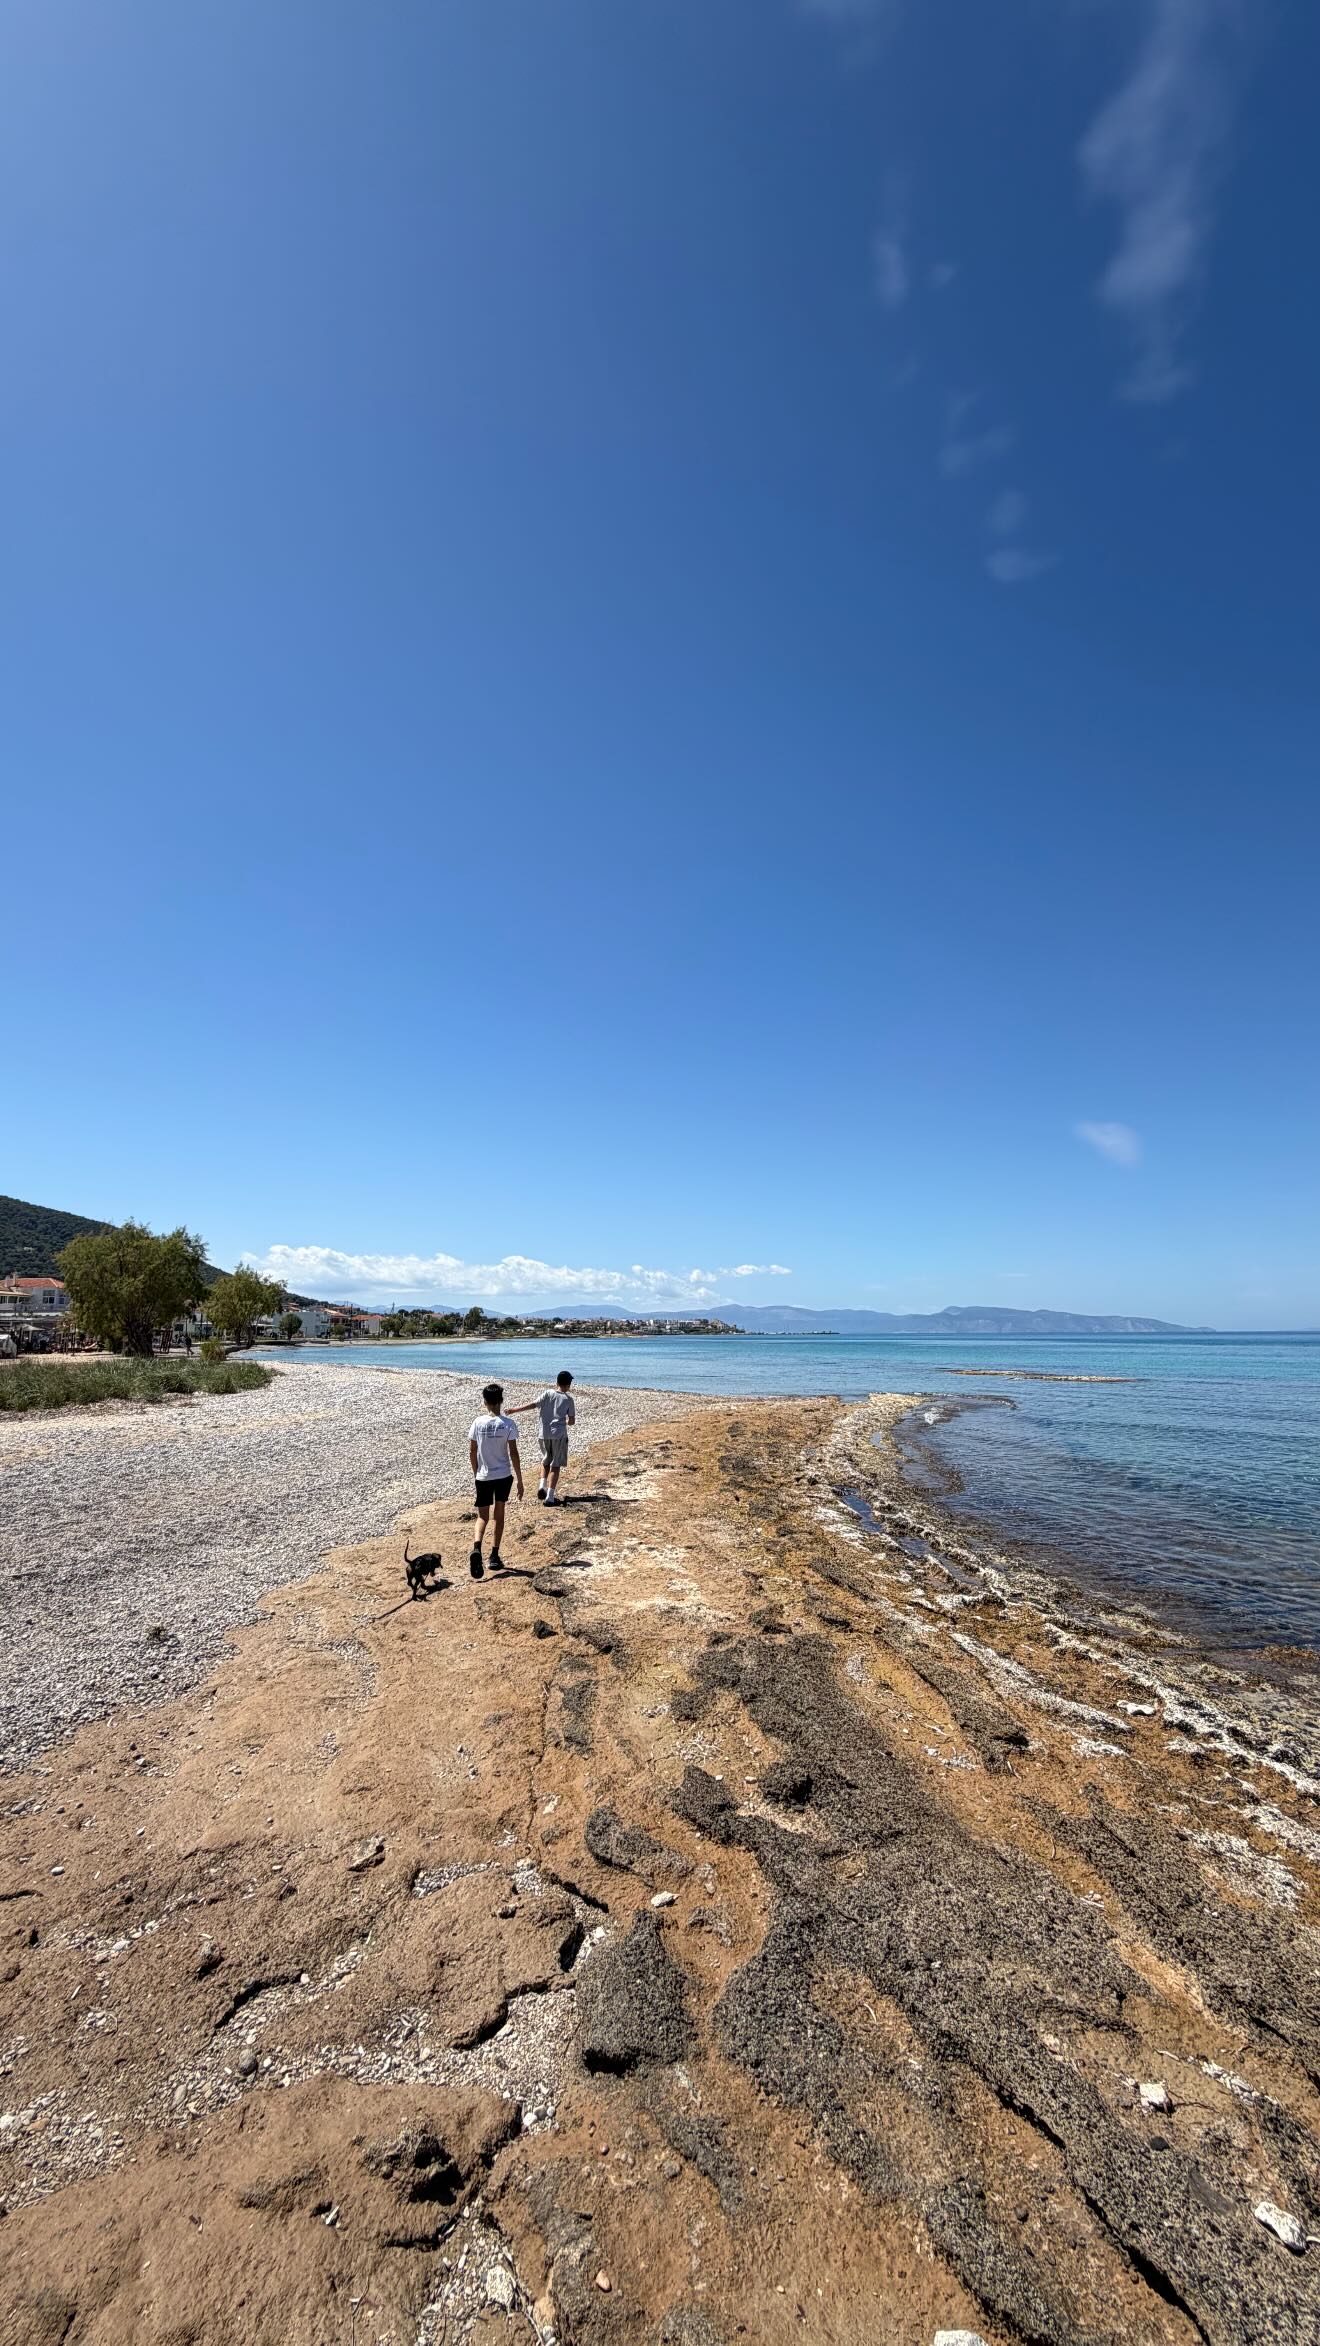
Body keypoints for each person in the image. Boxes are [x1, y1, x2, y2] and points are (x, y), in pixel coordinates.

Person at [467, 1381, 523, 1576]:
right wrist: (520, 1479)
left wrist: (476, 1473)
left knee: (482, 1516)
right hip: (503, 1475)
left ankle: (476, 1547)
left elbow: (472, 1451)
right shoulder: (508, 1424)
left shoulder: (478, 1422)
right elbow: (513, 1453)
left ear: (485, 1402)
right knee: (499, 1515)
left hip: (483, 1476)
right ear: (501, 1400)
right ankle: (494, 1555)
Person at [511, 1369, 575, 1504]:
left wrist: (514, 1410)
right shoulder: (569, 1399)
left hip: (543, 1434)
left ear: (556, 1382)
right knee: (555, 1465)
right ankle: (550, 1497)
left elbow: (533, 1405)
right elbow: (572, 1421)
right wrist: (567, 1422)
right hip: (559, 1435)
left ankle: (542, 1485)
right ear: (568, 1385)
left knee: (546, 1460)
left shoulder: (547, 1393)